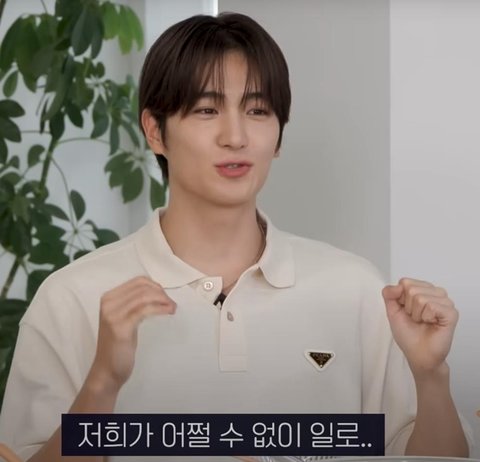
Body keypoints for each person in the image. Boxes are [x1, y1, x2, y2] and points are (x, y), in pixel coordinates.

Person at [0, 12, 471, 462]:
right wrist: (102, 383)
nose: (236, 136)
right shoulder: (72, 298)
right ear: (155, 131)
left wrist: (430, 375)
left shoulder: (357, 291)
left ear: (279, 136)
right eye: (207, 109)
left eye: (258, 110)